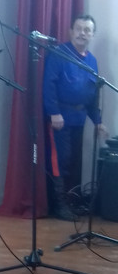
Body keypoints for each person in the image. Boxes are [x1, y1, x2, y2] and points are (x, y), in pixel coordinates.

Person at [43, 14, 107, 221]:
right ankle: (58, 205)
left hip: (79, 119)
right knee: (59, 161)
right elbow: (49, 84)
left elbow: (92, 95)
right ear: (71, 31)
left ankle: (69, 201)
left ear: (92, 35)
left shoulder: (92, 61)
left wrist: (97, 122)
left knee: (71, 161)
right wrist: (54, 112)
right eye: (79, 29)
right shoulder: (59, 54)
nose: (82, 33)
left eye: (87, 30)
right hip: (60, 119)